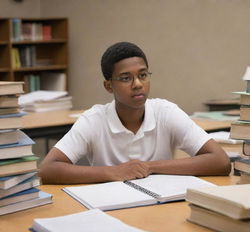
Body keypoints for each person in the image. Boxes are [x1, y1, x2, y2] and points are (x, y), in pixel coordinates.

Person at [40, 42, 231, 184]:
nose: (138, 84)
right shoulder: (93, 120)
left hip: (161, 205)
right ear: (108, 86)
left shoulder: (166, 112)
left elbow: (221, 161)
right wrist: (114, 172)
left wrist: (149, 167)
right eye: (125, 78)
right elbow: (48, 169)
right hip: (110, 207)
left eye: (142, 75)